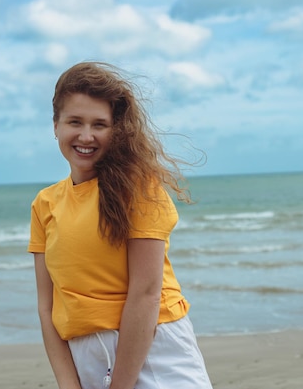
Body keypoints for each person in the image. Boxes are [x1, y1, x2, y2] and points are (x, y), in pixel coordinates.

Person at [27, 62, 213, 389]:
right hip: (84, 358)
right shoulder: (45, 204)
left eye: (100, 124)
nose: (86, 136)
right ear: (55, 125)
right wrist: (68, 383)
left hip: (157, 354)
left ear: (117, 130)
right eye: (75, 122)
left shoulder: (139, 188)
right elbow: (47, 307)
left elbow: (145, 294)